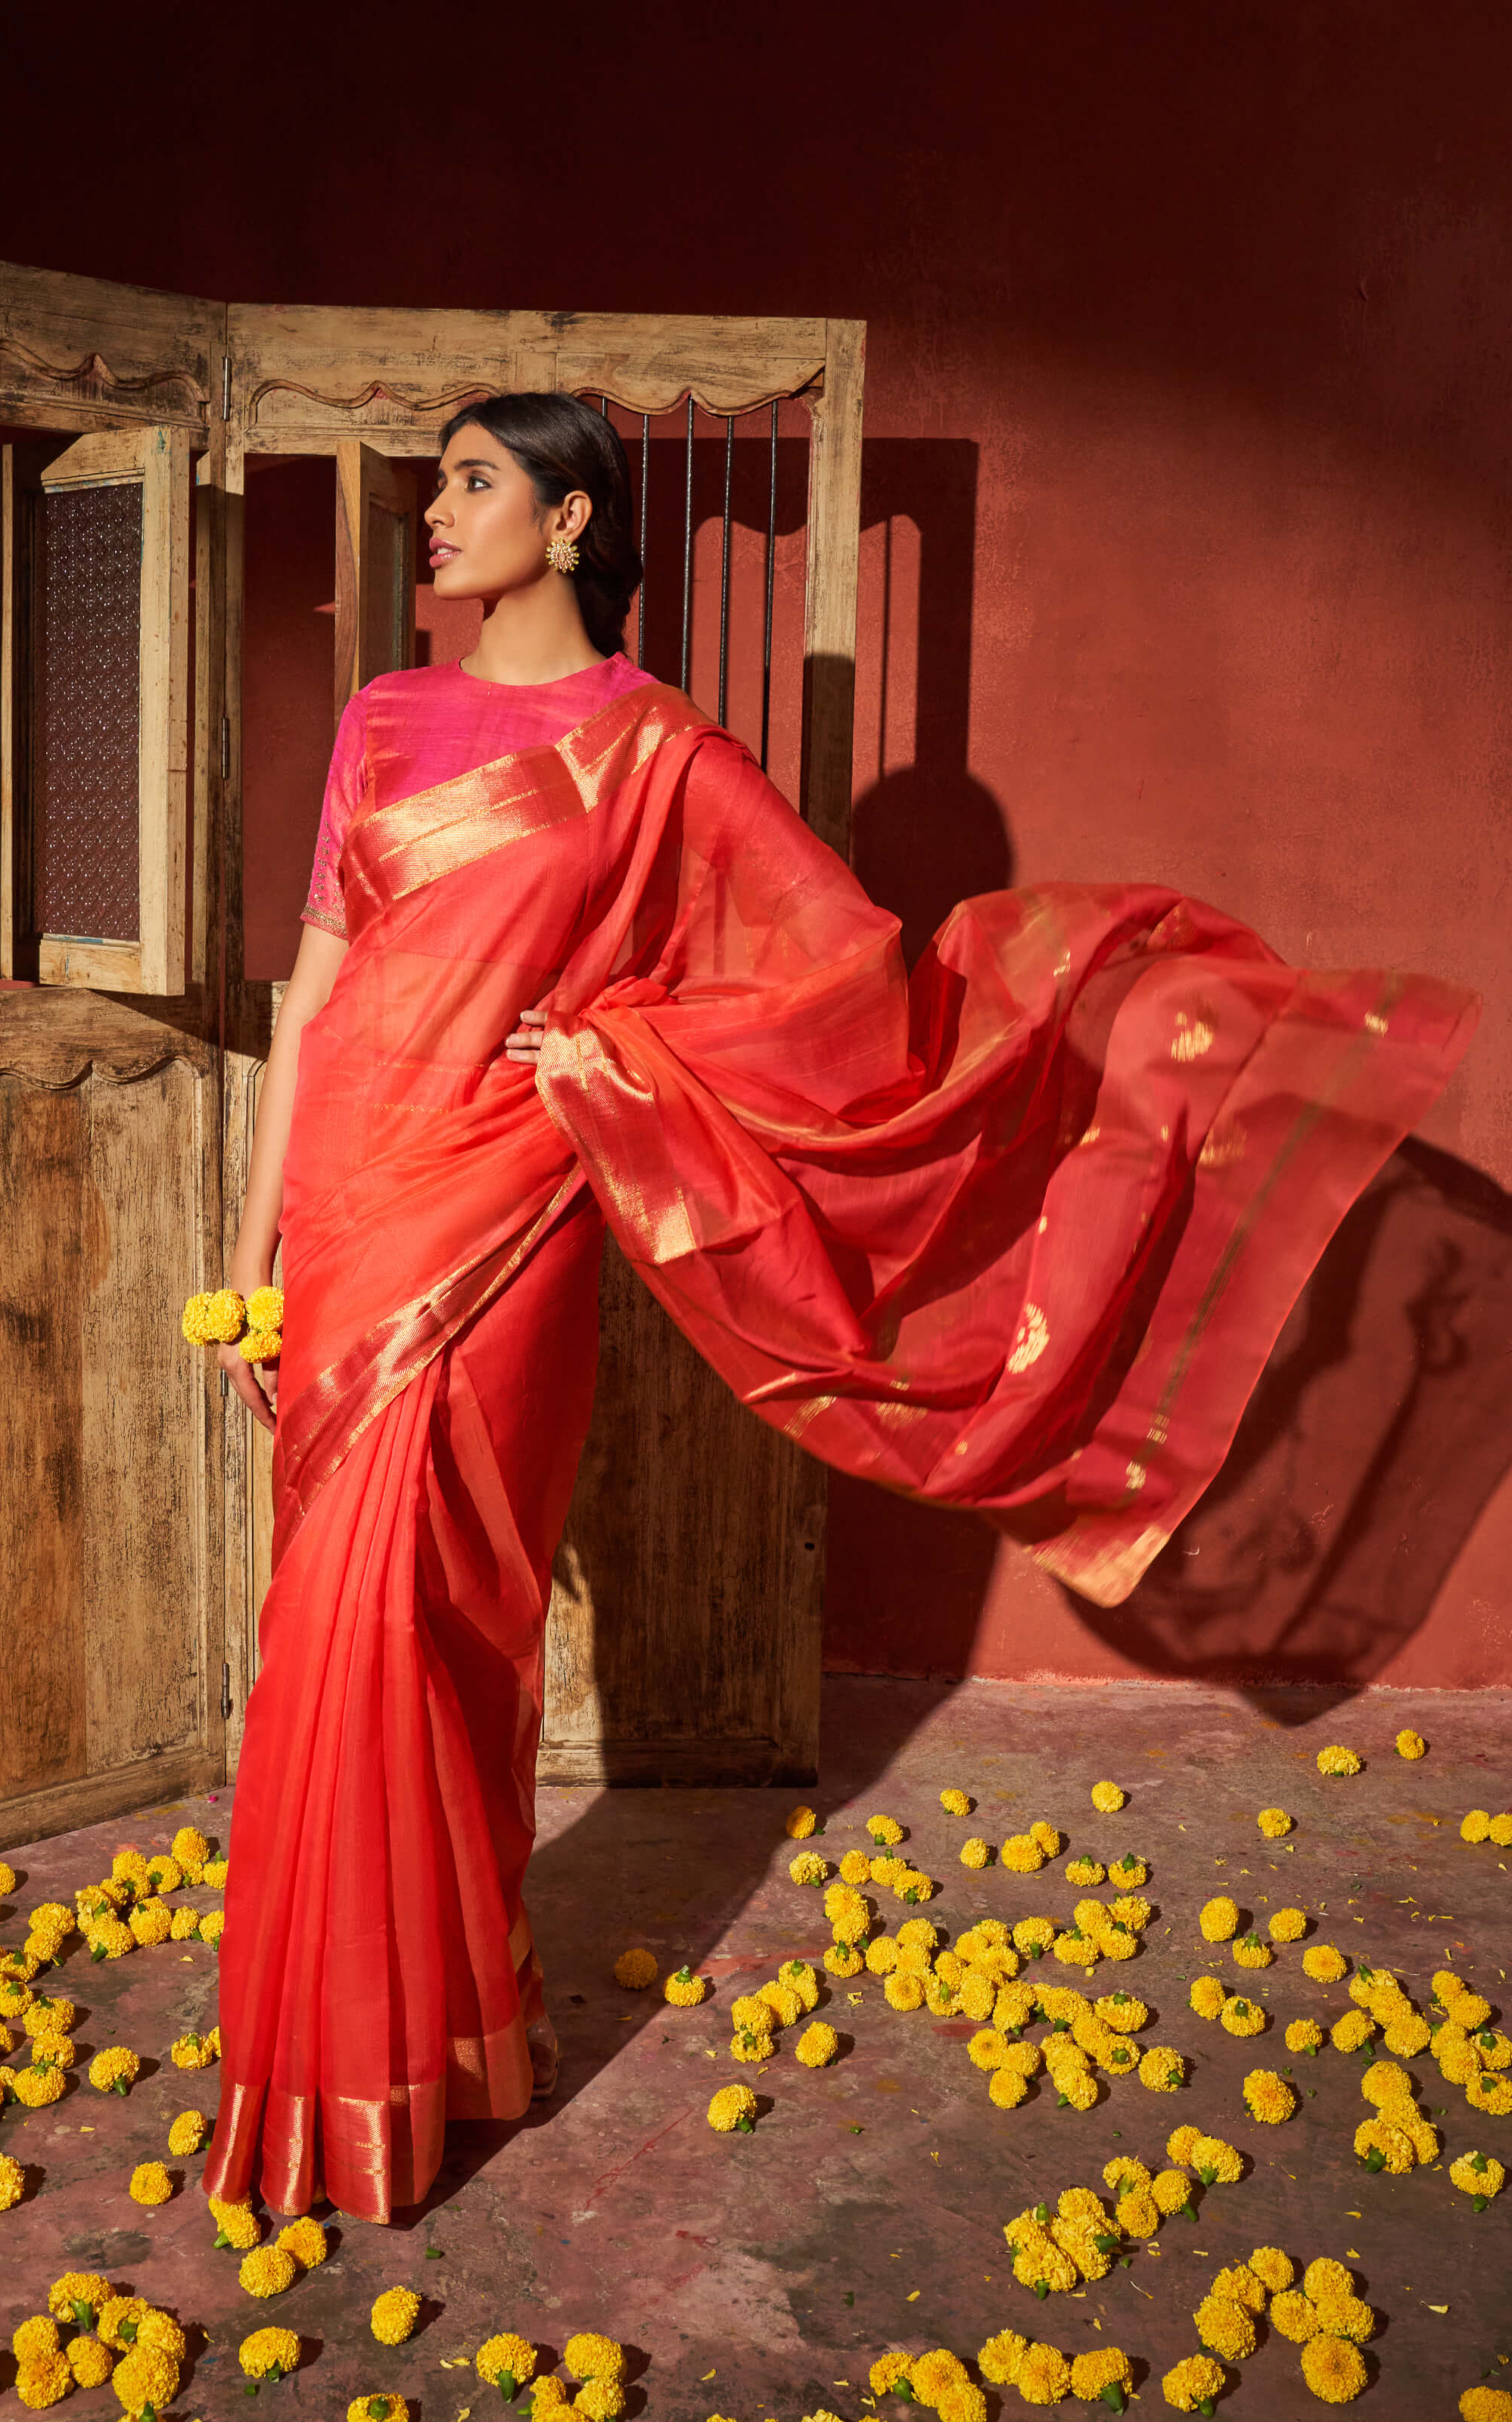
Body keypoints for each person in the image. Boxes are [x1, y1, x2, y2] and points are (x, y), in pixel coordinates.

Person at [201, 391, 1476, 2226]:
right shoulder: (385, 718)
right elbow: (316, 984)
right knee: (322, 1615)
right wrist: (254, 1239)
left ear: (572, 519)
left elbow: (843, 984)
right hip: (347, 1207)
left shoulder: (659, 753)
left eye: (477, 481)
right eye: (442, 482)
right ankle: (347, 2046)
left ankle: (425, 2042)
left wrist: (618, 1045)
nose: (441, 511)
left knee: (443, 1614)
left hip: (510, 1213)